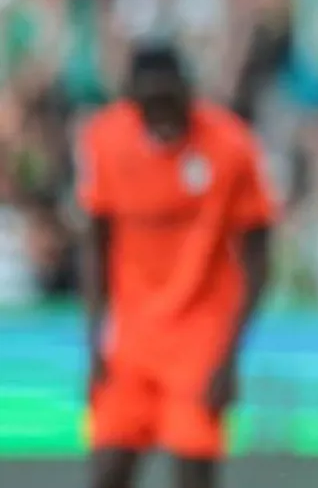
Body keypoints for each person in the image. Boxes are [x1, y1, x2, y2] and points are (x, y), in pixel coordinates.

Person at [78, 41, 277, 488]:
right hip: (130, 337)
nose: (162, 115)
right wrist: (94, 343)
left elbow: (259, 253)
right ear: (131, 99)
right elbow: (95, 244)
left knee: (192, 474)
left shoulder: (230, 145)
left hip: (200, 337)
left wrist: (230, 357)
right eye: (149, 103)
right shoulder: (105, 139)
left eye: (170, 100)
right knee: (108, 470)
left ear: (189, 91)